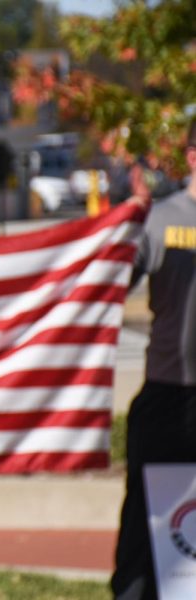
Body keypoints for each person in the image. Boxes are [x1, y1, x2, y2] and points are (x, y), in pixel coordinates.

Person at [111, 119, 196, 600]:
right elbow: (109, 281)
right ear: (191, 156)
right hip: (167, 400)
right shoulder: (161, 220)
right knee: (147, 533)